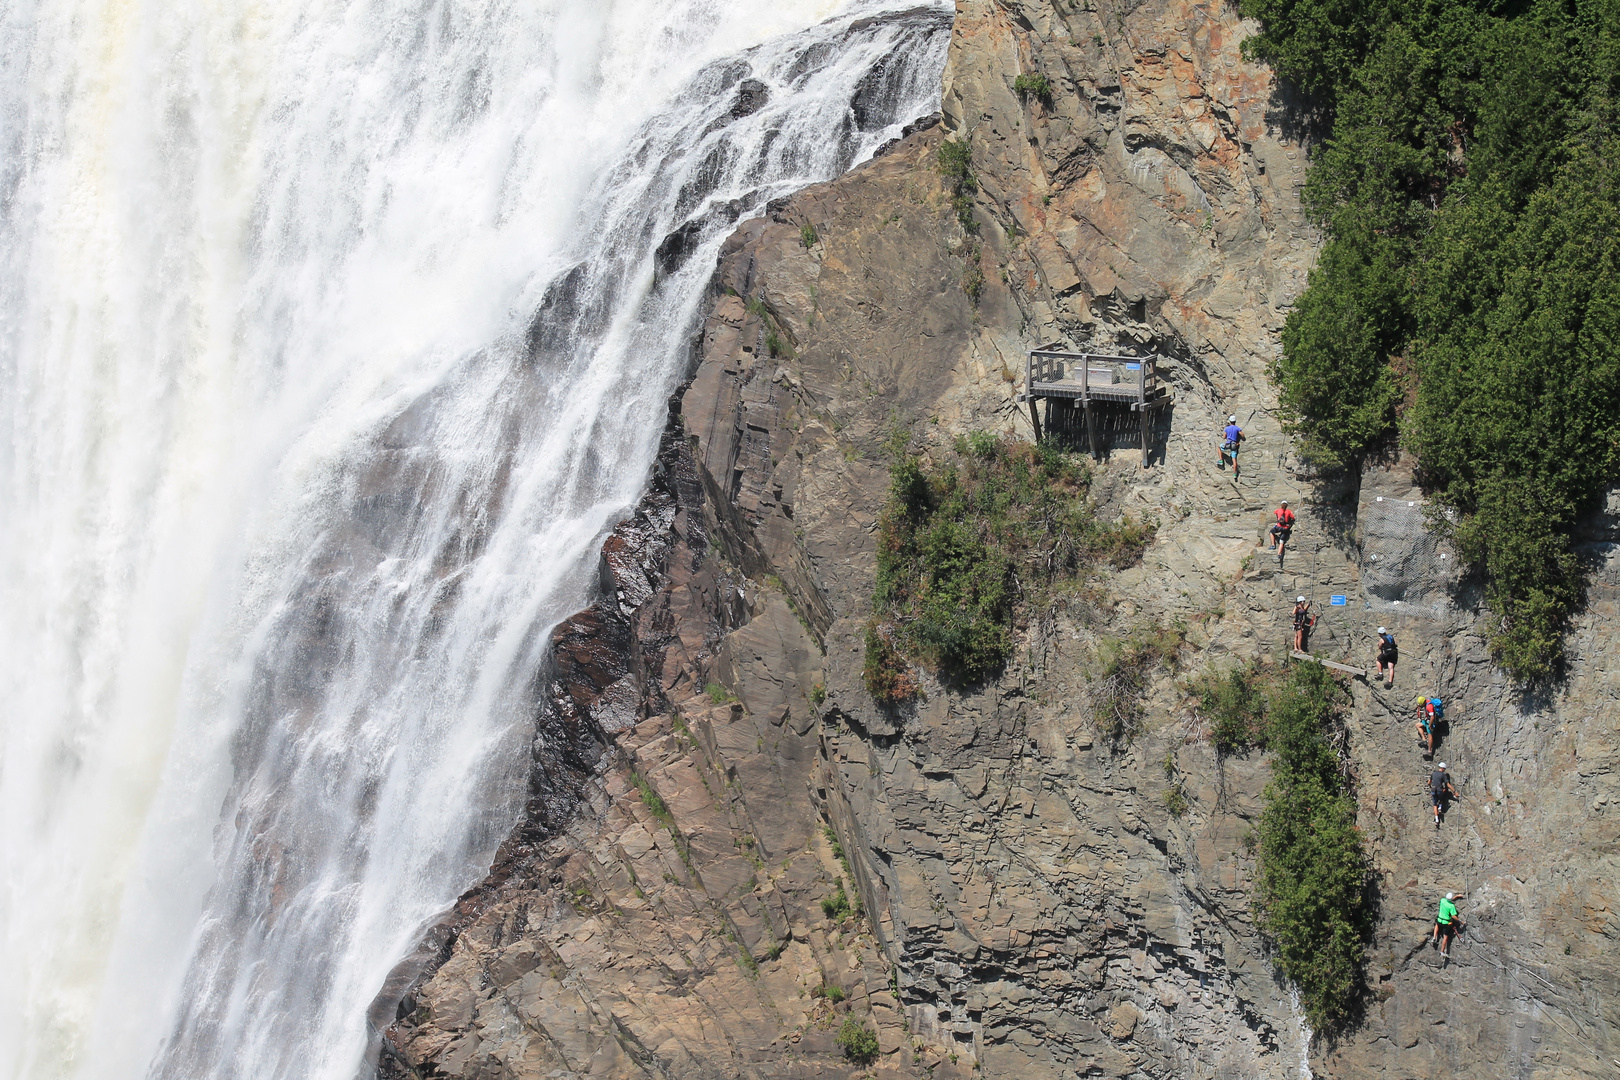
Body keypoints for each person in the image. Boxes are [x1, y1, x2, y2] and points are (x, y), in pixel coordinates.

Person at [1433, 892, 1465, 957]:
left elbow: (1449, 899)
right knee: (1445, 937)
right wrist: (1460, 921)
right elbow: (1453, 916)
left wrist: (1457, 896)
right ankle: (1442, 952)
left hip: (1440, 920)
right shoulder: (1451, 906)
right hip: (1446, 923)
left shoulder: (1442, 900)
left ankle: (1434, 937)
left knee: (1437, 925)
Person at [1430, 761, 1458, 827]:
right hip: (1439, 790)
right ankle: (1440, 807)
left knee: (1434, 804)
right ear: (1443, 768)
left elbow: (1429, 782)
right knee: (1442, 797)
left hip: (1433, 789)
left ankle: (1437, 820)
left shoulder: (1433, 773)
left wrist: (1430, 786)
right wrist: (1454, 792)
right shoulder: (1443, 775)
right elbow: (1448, 784)